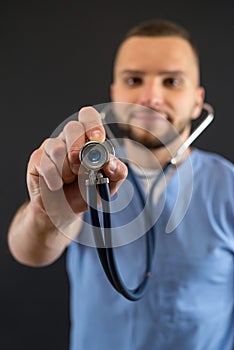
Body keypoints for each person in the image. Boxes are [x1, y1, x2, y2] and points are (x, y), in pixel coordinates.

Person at [7, 19, 234, 350]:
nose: (151, 97)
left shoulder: (227, 186)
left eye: (172, 81)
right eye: (134, 79)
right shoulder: (81, 174)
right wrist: (50, 211)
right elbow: (27, 250)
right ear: (115, 94)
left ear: (198, 101)